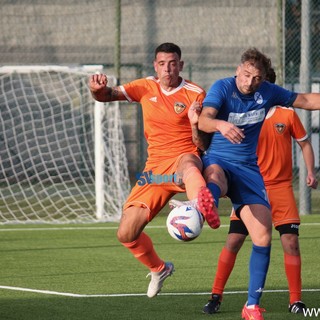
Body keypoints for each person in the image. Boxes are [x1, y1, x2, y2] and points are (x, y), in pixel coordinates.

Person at [196, 47, 320, 320]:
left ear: (264, 79)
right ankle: (207, 204)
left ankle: (251, 306)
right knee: (215, 176)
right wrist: (220, 125)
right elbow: (204, 121)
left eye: (256, 78)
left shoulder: (270, 94)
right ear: (238, 69)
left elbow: (307, 99)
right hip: (221, 160)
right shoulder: (223, 87)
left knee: (263, 236)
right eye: (247, 74)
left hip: (251, 173)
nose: (250, 82)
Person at [88, 42, 218, 298]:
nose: (168, 69)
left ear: (181, 65)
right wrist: (96, 90)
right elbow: (106, 96)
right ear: (155, 66)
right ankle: (159, 269)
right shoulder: (145, 87)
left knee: (190, 165)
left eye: (173, 63)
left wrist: (194, 124)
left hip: (184, 158)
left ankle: (198, 208)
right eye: (162, 64)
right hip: (155, 172)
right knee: (126, 233)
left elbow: (203, 144)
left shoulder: (195, 93)